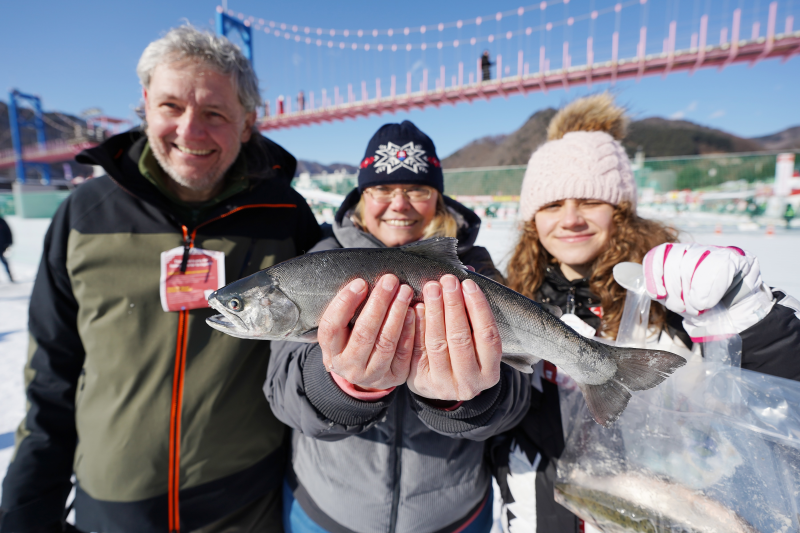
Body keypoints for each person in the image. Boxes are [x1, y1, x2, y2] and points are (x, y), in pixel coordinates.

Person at [0, 26, 321, 533]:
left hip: (247, 505)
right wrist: (26, 509)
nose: (190, 131)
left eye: (215, 113)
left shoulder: (286, 216)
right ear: (145, 105)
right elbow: (51, 376)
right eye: (171, 106)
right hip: (110, 507)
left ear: (247, 124)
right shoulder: (85, 214)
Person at [490, 94, 800, 533]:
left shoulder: (676, 294)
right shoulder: (507, 299)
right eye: (553, 205)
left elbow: (777, 404)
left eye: (590, 201)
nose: (571, 218)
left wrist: (754, 324)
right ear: (532, 218)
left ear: (621, 210)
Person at [265, 120, 531, 533]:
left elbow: (516, 401)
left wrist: (471, 396)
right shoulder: (315, 264)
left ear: (438, 198)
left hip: (455, 517)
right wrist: (341, 386)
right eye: (383, 189)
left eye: (417, 190)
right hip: (325, 515)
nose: (399, 204)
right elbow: (283, 392)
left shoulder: (475, 270)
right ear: (362, 197)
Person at [0, 215, 12, 282]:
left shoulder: (1, 221)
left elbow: (8, 232)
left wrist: (9, 243)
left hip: (2, 246)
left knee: (4, 262)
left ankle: (10, 277)